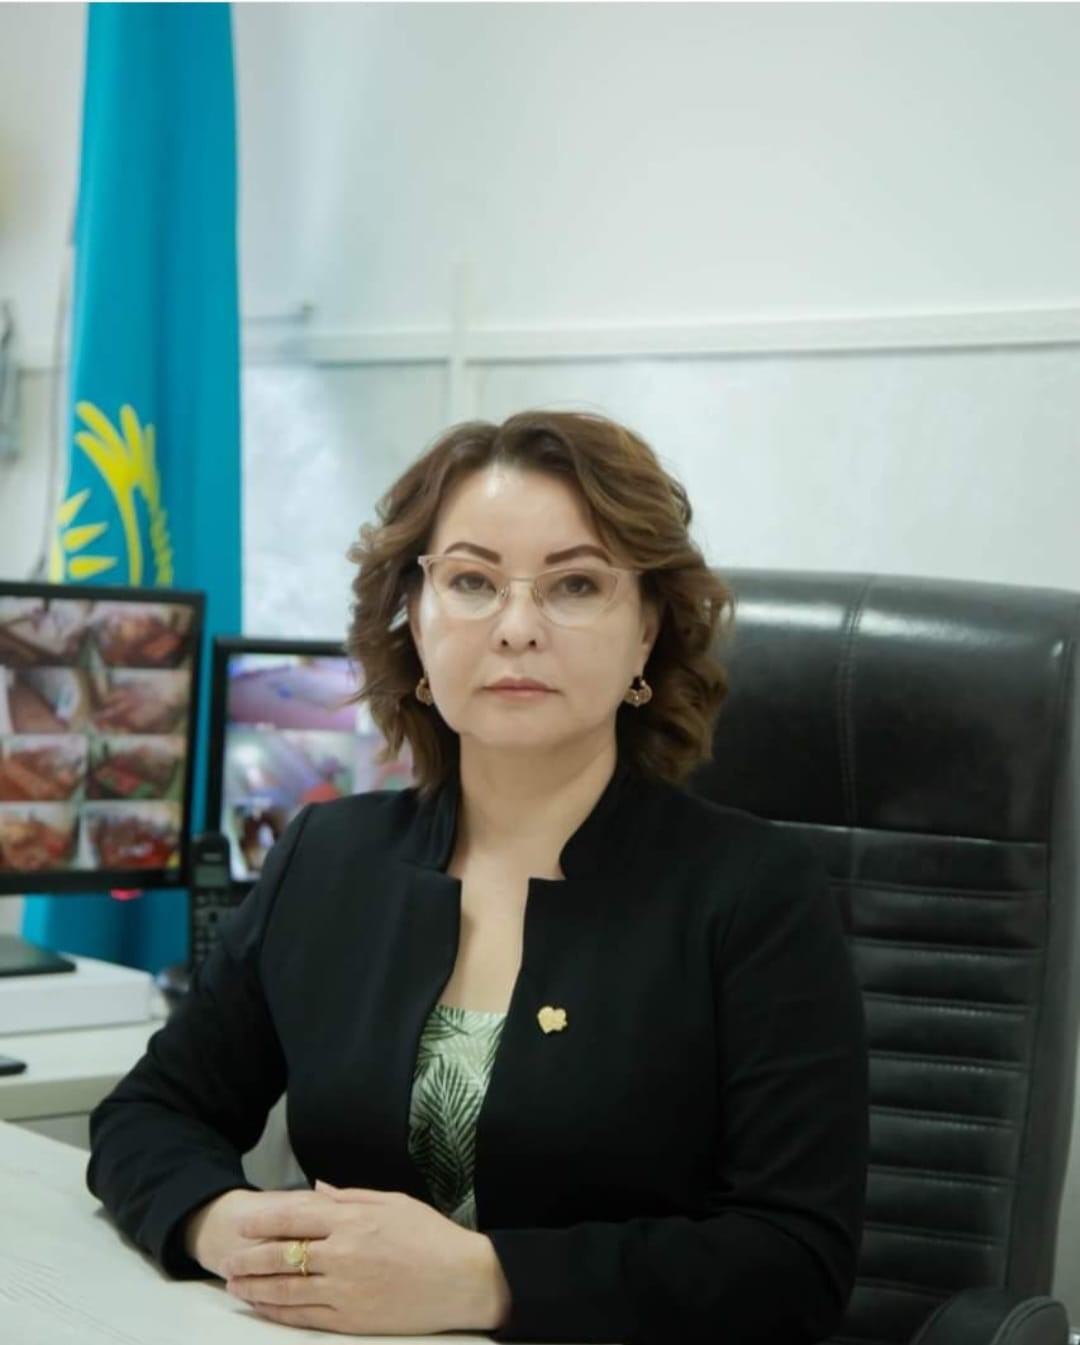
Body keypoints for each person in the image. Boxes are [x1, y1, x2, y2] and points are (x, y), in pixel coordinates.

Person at [86, 409, 869, 1344]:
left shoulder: (753, 893)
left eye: (576, 584)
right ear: (414, 621)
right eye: (471, 581)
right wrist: (234, 1231)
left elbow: (794, 1262)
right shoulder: (326, 857)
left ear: (647, 630)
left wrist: (485, 1281)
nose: (517, 628)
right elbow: (148, 1113)